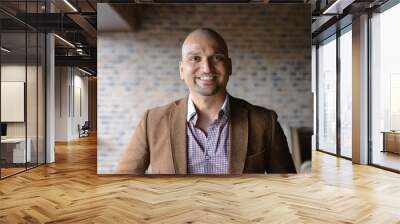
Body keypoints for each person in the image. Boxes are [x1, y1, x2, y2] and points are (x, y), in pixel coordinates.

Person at [115, 28, 296, 174]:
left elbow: (287, 189)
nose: (206, 68)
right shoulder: (152, 121)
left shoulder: (264, 122)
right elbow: (122, 184)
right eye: (195, 58)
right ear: (181, 70)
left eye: (216, 58)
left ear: (229, 66)